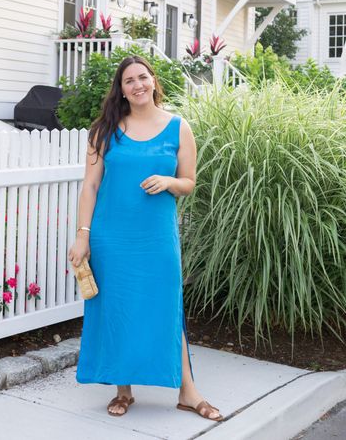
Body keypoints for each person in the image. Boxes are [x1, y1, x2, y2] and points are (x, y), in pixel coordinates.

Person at [68, 55, 223, 421]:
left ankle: (188, 392)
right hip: (111, 237)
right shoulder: (105, 130)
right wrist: (82, 236)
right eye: (128, 81)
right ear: (120, 90)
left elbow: (188, 182)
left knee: (167, 308)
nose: (137, 85)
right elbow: (90, 186)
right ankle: (124, 391)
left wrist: (169, 182)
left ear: (153, 81)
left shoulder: (178, 127)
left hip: (156, 238)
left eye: (142, 77)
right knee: (117, 309)